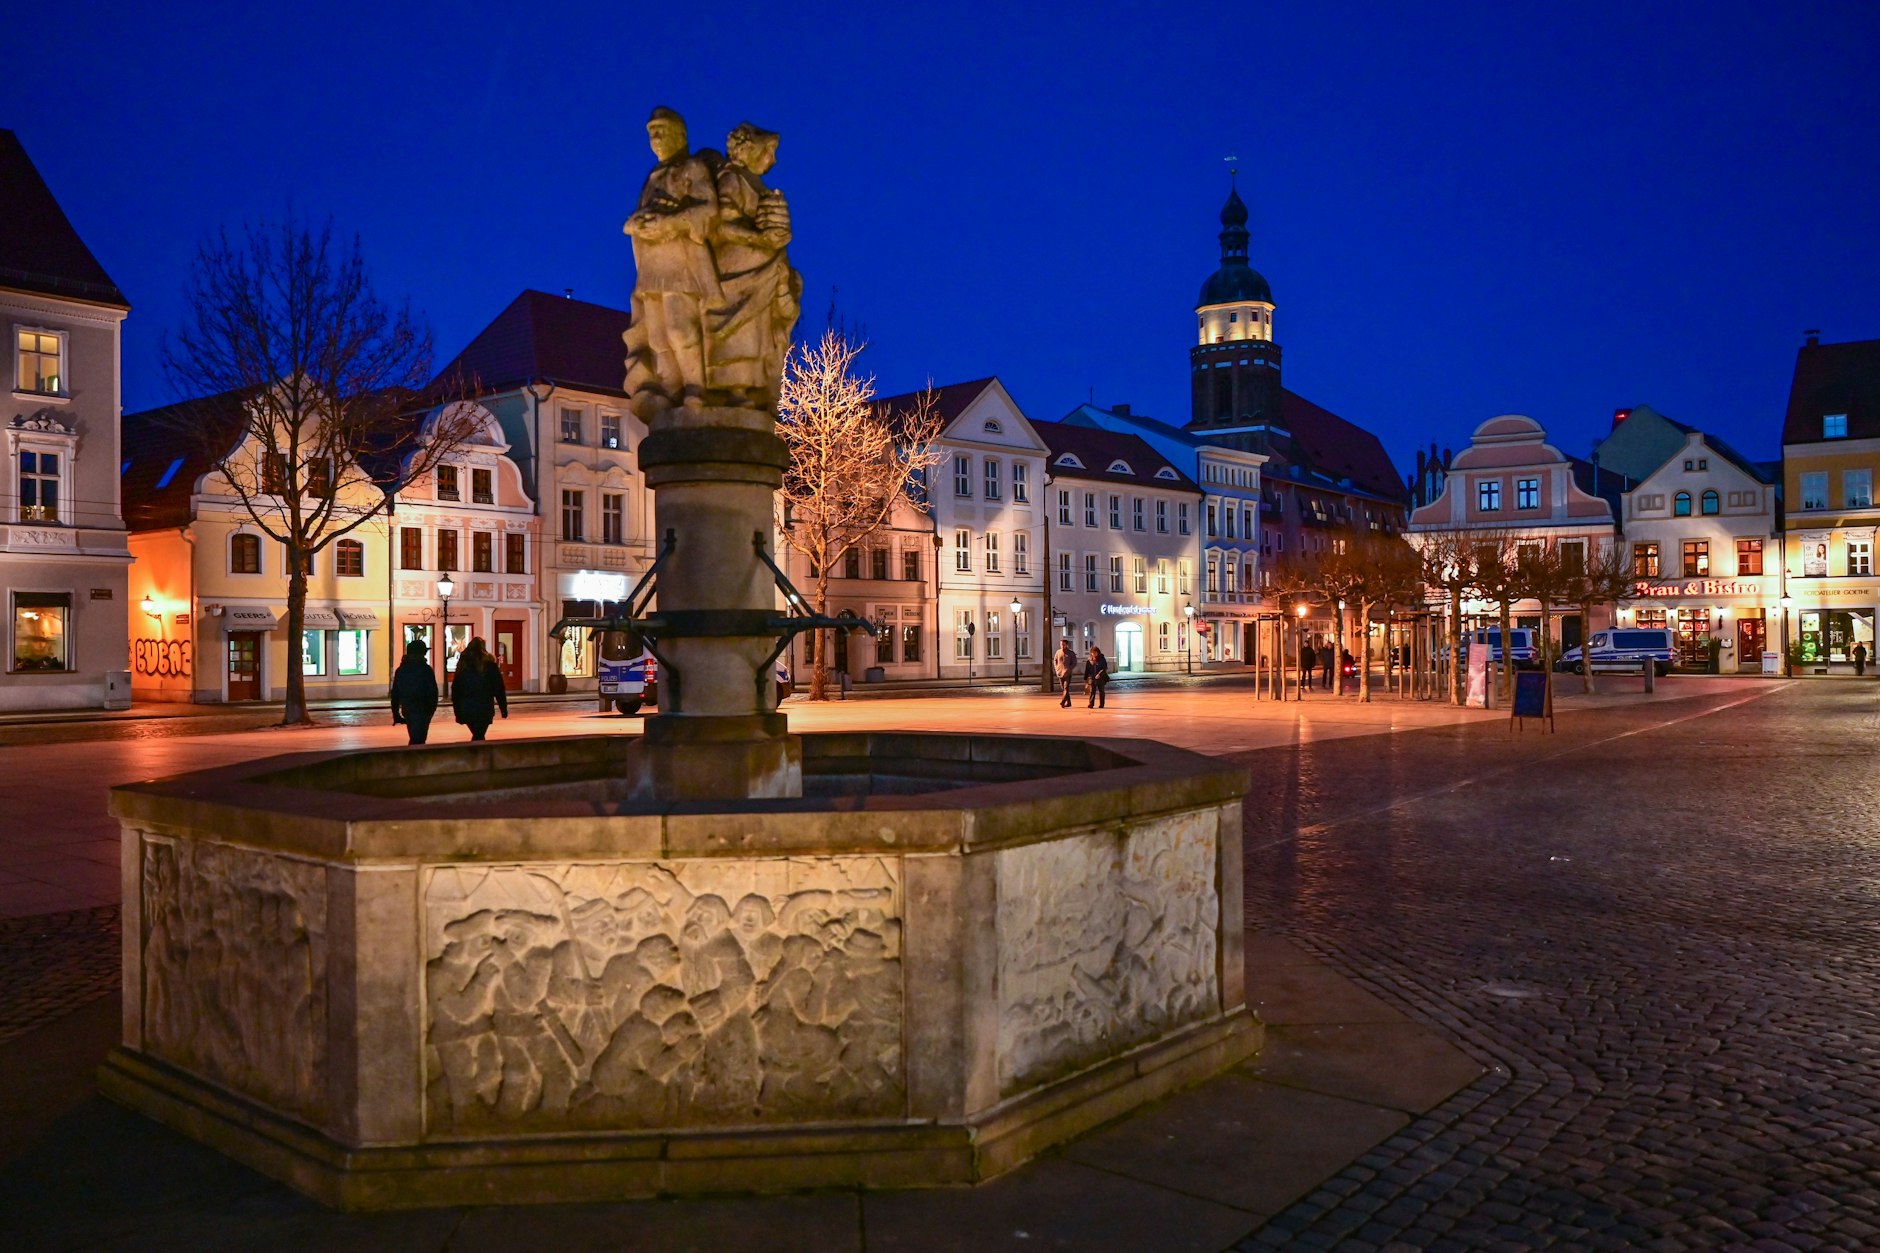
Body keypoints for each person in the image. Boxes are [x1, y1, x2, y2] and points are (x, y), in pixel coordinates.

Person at [451, 636, 509, 742]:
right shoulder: (489, 665)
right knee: (479, 735)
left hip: (467, 707)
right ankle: (478, 755)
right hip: (484, 707)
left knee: (478, 735)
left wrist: (457, 710)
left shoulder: (463, 665)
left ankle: (476, 755)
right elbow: (499, 688)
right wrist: (503, 708)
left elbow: (456, 690)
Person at [390, 639, 439, 745]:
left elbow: (395, 693)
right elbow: (433, 691)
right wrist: (431, 709)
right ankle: (415, 759)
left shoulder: (401, 670)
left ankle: (414, 758)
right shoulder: (425, 670)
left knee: (415, 737)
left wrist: (396, 713)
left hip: (408, 708)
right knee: (419, 739)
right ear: (421, 653)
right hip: (423, 708)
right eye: (424, 651)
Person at [1054, 639, 1078, 708]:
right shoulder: (1058, 652)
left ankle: (1063, 701)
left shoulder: (1071, 653)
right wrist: (1057, 669)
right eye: (1061, 644)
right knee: (1063, 688)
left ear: (1067, 645)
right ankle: (1069, 702)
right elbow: (1055, 660)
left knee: (1066, 687)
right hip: (1060, 673)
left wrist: (1069, 669)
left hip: (1068, 673)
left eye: (1063, 644)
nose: (1062, 646)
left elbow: (1074, 662)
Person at [1085, 644, 1109, 709]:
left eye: (1095, 653)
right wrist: (1086, 678)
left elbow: (1104, 668)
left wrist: (1099, 674)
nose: (1094, 654)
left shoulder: (1102, 659)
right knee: (1092, 691)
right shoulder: (1089, 660)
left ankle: (1102, 704)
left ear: (1098, 652)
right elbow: (1087, 669)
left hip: (1100, 678)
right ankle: (1091, 704)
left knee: (1101, 691)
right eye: (1092, 653)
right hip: (1092, 678)